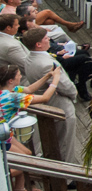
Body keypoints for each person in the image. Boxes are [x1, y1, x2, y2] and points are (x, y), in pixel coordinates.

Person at [1, 62, 62, 191]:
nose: (21, 76)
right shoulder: (12, 97)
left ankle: (19, 189)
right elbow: (45, 98)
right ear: (11, 80)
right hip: (3, 137)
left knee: (27, 154)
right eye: (19, 75)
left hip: (7, 133)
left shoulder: (9, 90)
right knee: (21, 164)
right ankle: (3, 177)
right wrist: (56, 79)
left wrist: (48, 76)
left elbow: (29, 90)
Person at [22, 28, 78, 163]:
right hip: (59, 104)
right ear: (38, 44)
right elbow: (65, 85)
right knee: (65, 141)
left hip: (47, 101)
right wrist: (74, 94)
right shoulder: (45, 64)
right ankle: (67, 176)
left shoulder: (30, 57)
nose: (49, 40)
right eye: (46, 38)